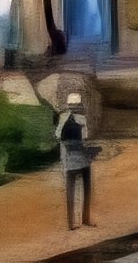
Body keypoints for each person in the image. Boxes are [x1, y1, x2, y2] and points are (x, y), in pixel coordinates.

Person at [58, 92, 95, 229]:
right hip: (78, 157)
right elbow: (85, 138)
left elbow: (58, 136)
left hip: (70, 159)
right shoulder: (81, 118)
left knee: (72, 190)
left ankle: (72, 223)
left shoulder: (64, 117)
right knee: (85, 189)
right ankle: (83, 219)